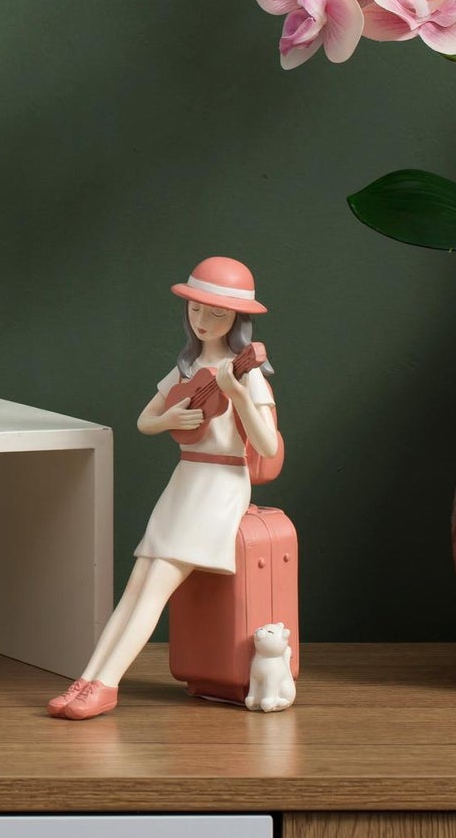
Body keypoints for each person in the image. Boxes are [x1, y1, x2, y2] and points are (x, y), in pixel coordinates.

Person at [48, 256, 279, 720]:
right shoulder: (189, 367)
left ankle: (107, 684)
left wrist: (237, 395)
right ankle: (87, 678)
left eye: (216, 313)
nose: (203, 320)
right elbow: (145, 421)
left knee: (155, 587)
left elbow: (268, 445)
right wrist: (170, 418)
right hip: (185, 479)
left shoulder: (245, 374)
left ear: (237, 319)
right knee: (137, 584)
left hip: (220, 485)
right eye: (195, 309)